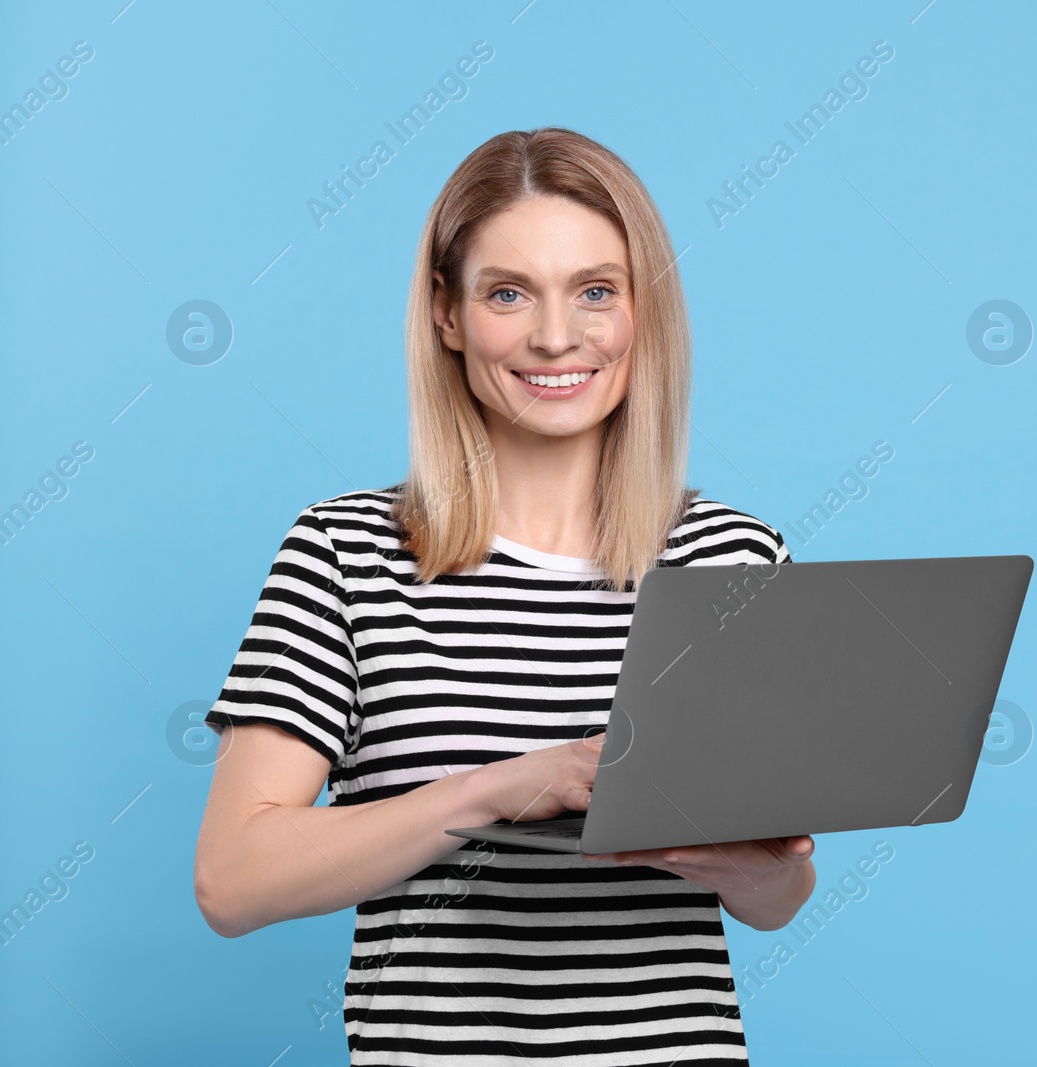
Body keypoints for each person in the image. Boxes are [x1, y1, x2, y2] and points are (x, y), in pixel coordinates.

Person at [194, 126, 816, 1065]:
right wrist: (501, 788)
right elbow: (233, 881)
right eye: (508, 292)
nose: (557, 336)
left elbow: (776, 902)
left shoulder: (733, 557)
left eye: (596, 291)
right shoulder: (344, 553)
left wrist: (745, 864)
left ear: (645, 310)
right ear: (447, 313)